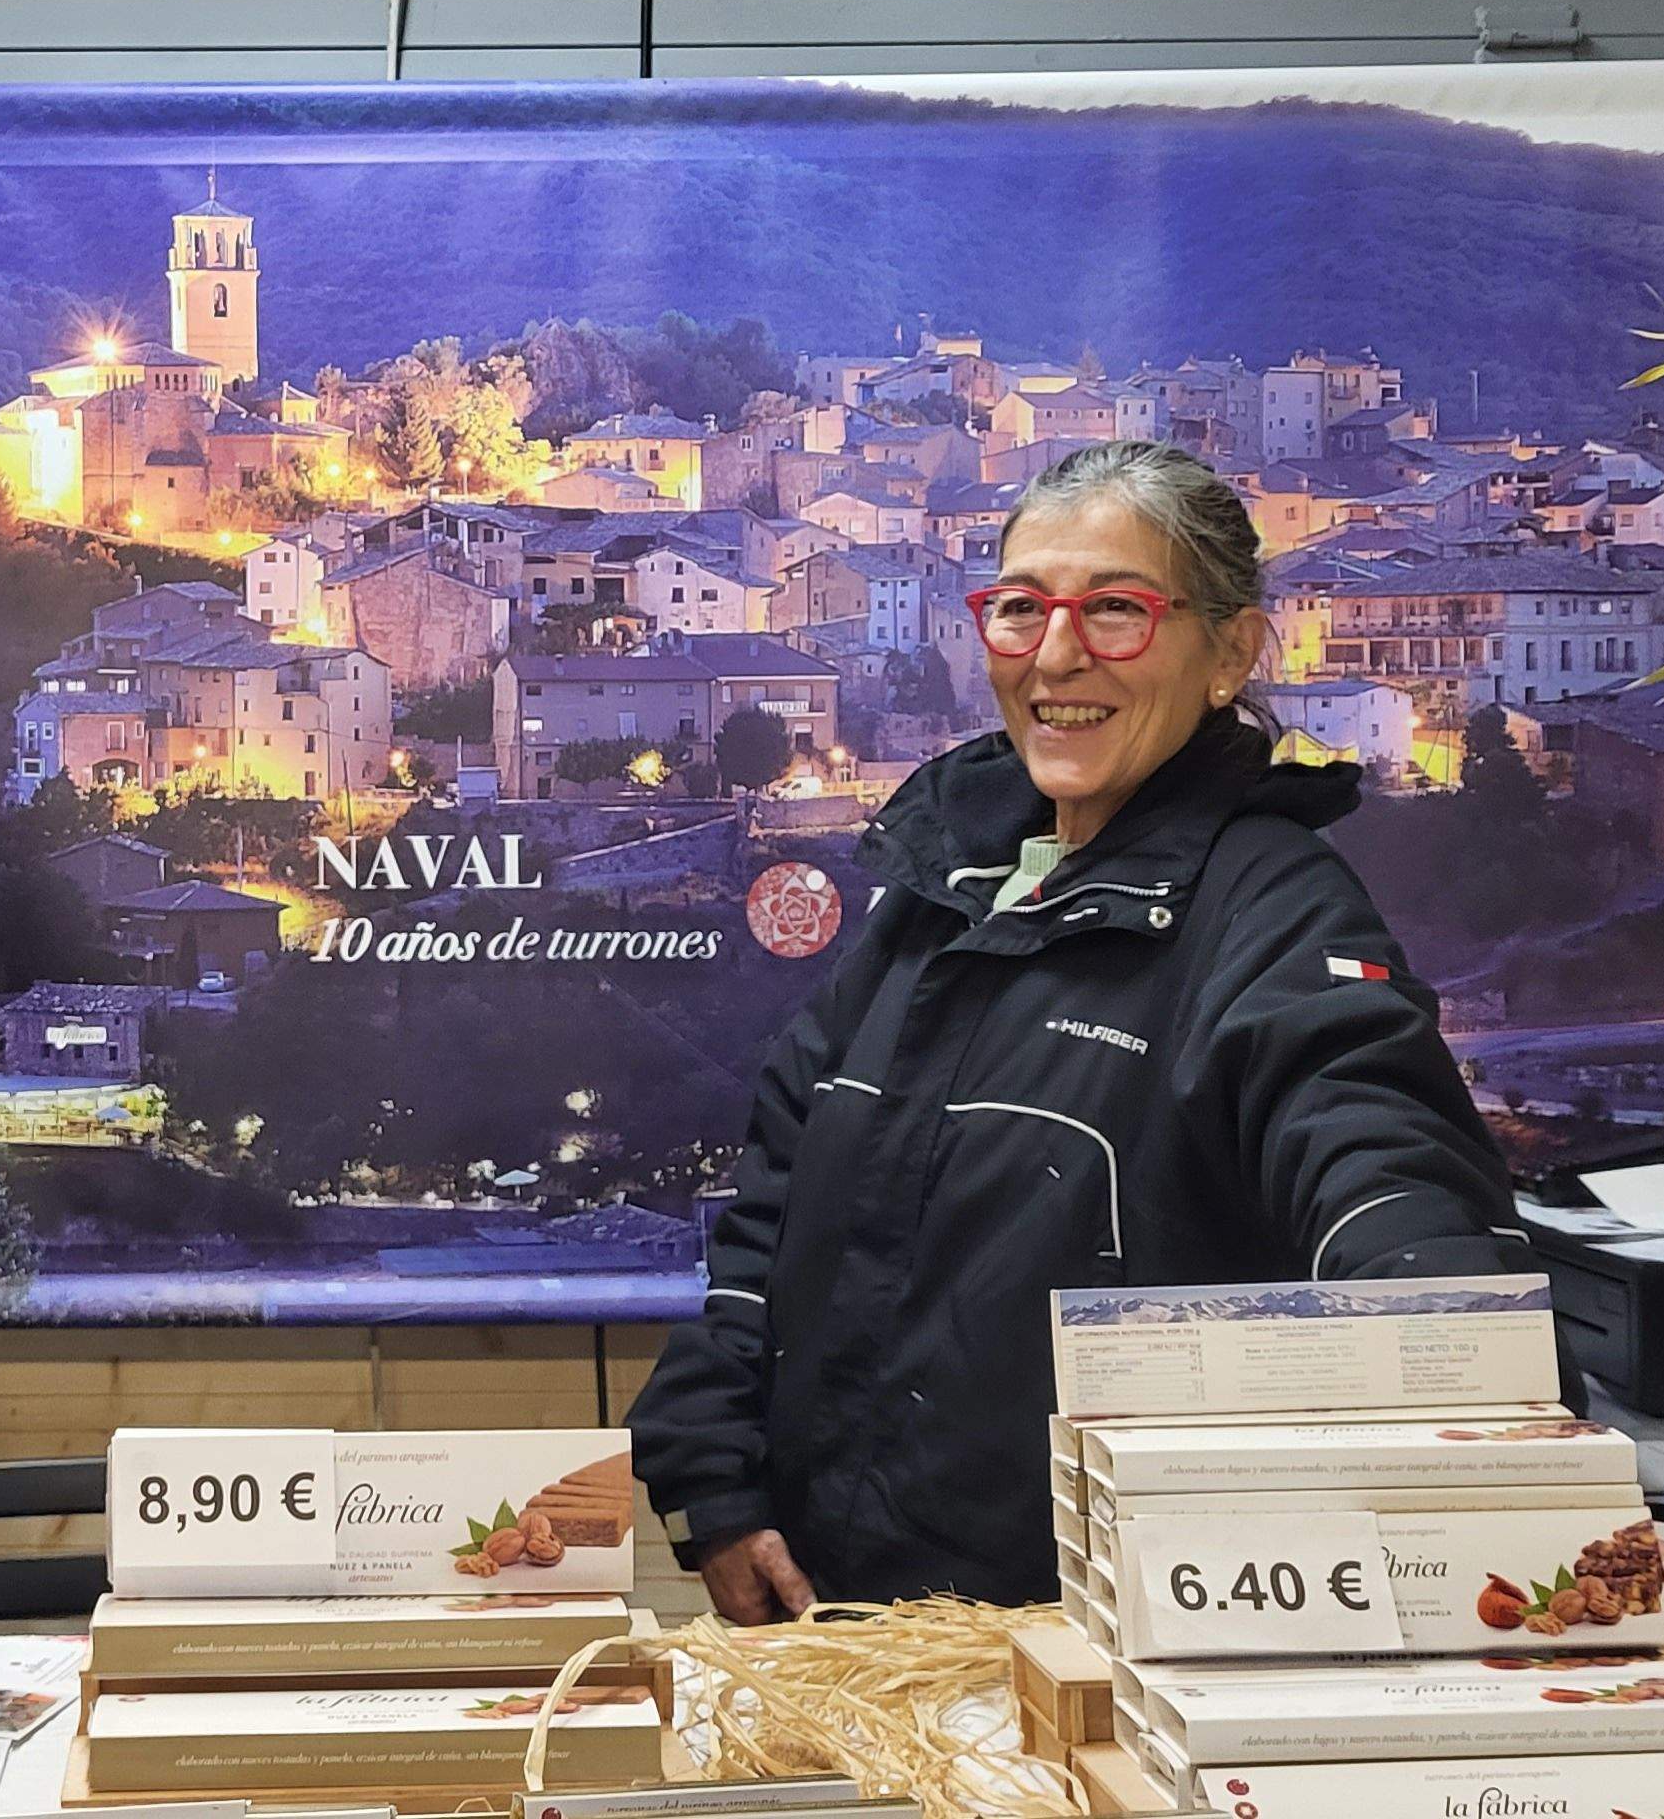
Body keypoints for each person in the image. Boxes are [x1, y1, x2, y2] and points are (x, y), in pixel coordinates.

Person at [628, 440, 1533, 1621]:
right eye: (1020, 609)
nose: (1056, 655)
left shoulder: (1271, 910)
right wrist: (718, 1487)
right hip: (847, 1642)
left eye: (1116, 610)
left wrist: (1524, 1491)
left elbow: (1385, 1177)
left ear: (1228, 654)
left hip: (1096, 1664)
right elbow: (771, 1218)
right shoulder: (940, 889)